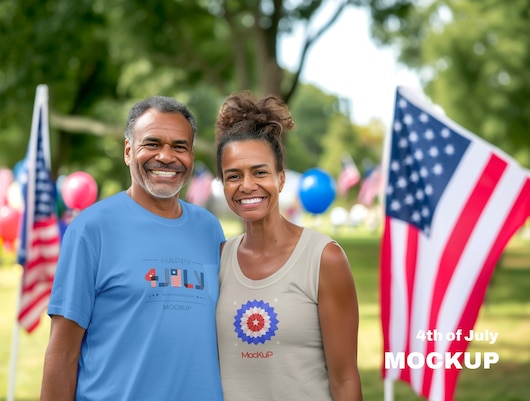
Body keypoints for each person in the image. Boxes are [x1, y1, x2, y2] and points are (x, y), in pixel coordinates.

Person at [40, 96, 225, 401]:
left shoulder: (209, 229)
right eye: (152, 143)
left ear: (191, 156)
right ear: (128, 151)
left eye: (180, 146)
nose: (166, 156)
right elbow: (62, 354)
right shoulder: (91, 229)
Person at [214, 92, 363, 401]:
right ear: (224, 184)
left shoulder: (324, 259)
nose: (247, 185)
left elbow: (345, 379)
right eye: (233, 176)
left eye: (259, 172)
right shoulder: (217, 260)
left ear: (280, 179)